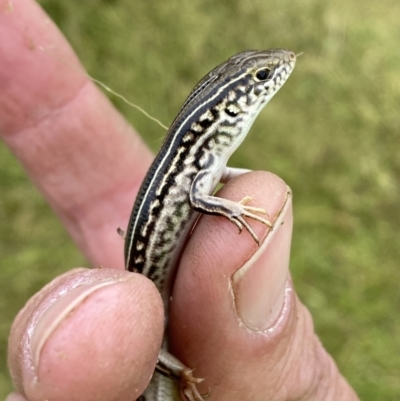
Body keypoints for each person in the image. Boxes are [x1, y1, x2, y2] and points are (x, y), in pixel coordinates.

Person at [1, 1, 359, 400]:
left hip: (150, 270)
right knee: (153, 335)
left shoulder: (203, 155)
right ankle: (182, 379)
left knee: (150, 331)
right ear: (224, 113)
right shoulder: (197, 160)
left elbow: (211, 182)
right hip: (149, 277)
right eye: (262, 76)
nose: (278, 70)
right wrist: (235, 208)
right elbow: (196, 195)